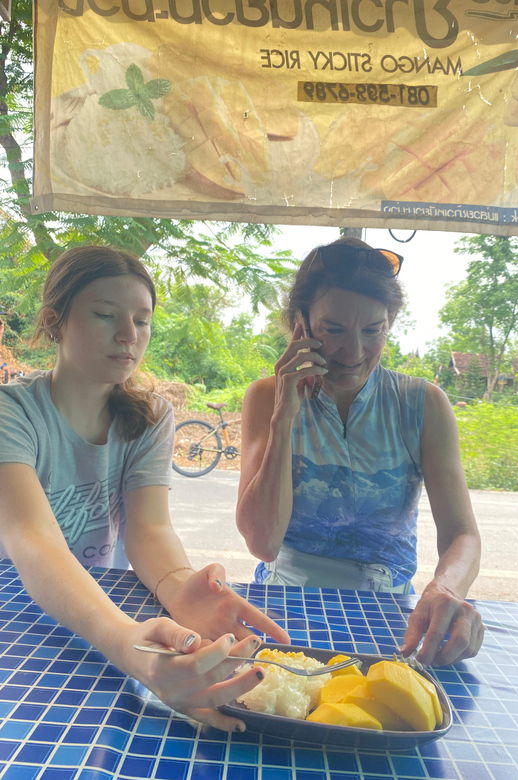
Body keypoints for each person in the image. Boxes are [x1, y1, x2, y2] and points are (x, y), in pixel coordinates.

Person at [0, 245, 289, 733]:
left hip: (99, 610)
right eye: (105, 315)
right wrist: (127, 645)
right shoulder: (13, 412)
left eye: (142, 320)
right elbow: (32, 539)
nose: (128, 335)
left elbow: (149, 530)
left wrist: (181, 588)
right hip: (17, 612)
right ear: (54, 322)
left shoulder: (151, 417)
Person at [236, 237, 483, 667]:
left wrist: (446, 588)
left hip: (387, 611)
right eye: (333, 330)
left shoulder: (422, 404)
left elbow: (463, 534)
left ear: (390, 323)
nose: (353, 353)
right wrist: (284, 415)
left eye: (372, 331)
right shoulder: (266, 396)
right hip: (282, 603)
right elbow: (263, 542)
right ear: (301, 324)